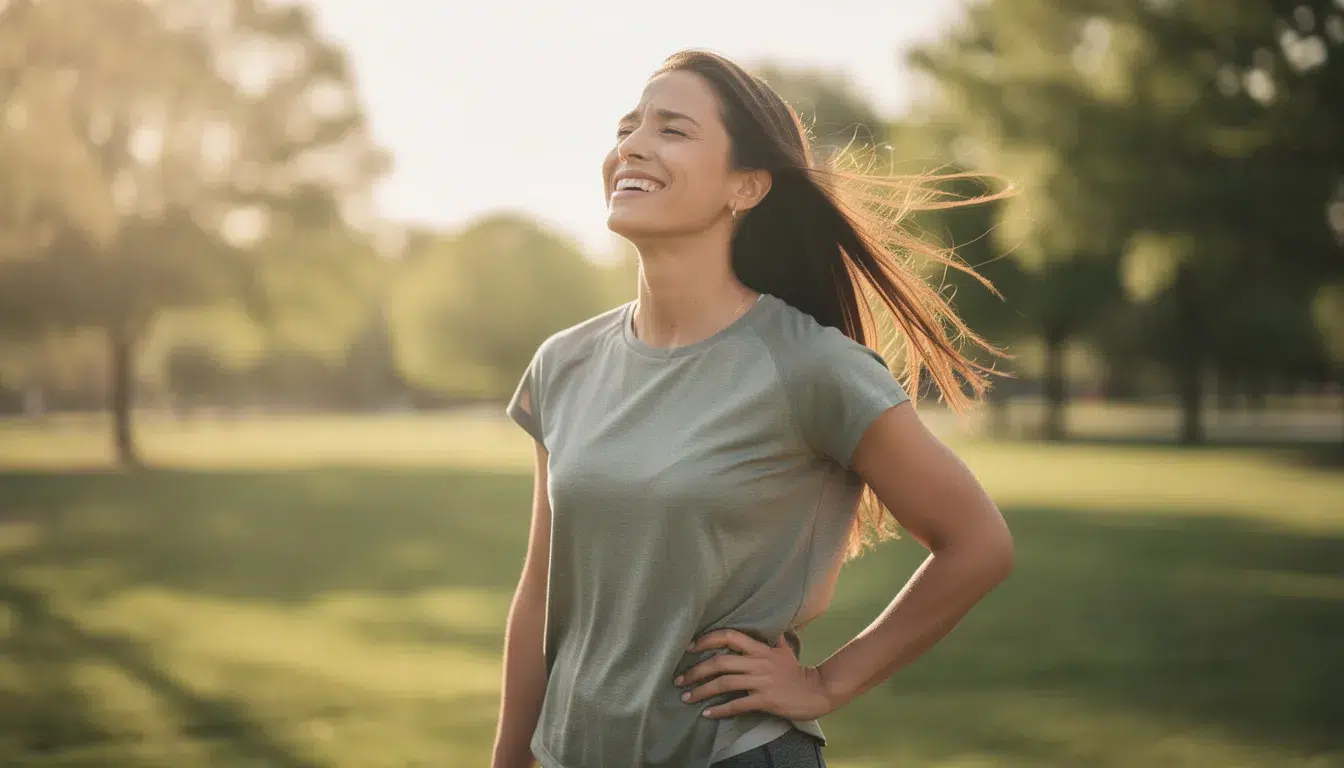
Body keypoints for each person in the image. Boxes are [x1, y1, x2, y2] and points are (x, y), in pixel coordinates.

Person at [491, 48, 1016, 768]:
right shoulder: (564, 363)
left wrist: (828, 683)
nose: (632, 146)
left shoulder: (811, 368)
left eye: (672, 130)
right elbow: (539, 596)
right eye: (626, 128)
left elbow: (978, 544)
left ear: (746, 186)